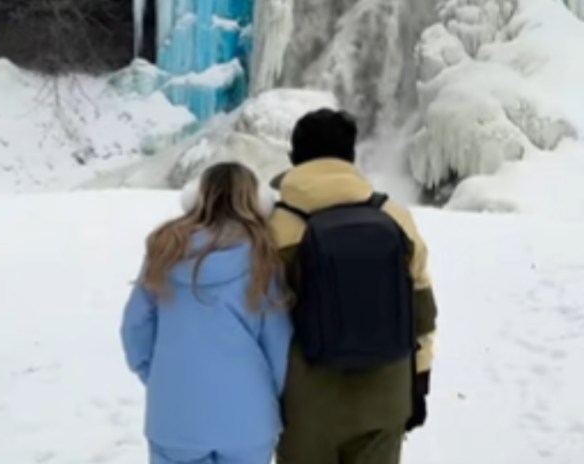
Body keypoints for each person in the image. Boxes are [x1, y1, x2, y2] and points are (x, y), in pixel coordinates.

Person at [268, 109, 438, 464]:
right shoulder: (393, 216)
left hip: (305, 404)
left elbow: (258, 322)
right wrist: (419, 381)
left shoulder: (275, 226)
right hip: (386, 393)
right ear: (350, 157)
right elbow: (422, 311)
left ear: (295, 159)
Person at [120, 162, 294, 464]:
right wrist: (266, 394)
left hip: (174, 415)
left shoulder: (165, 249)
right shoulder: (263, 254)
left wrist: (159, 376)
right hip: (248, 418)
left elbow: (135, 326)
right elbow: (279, 344)